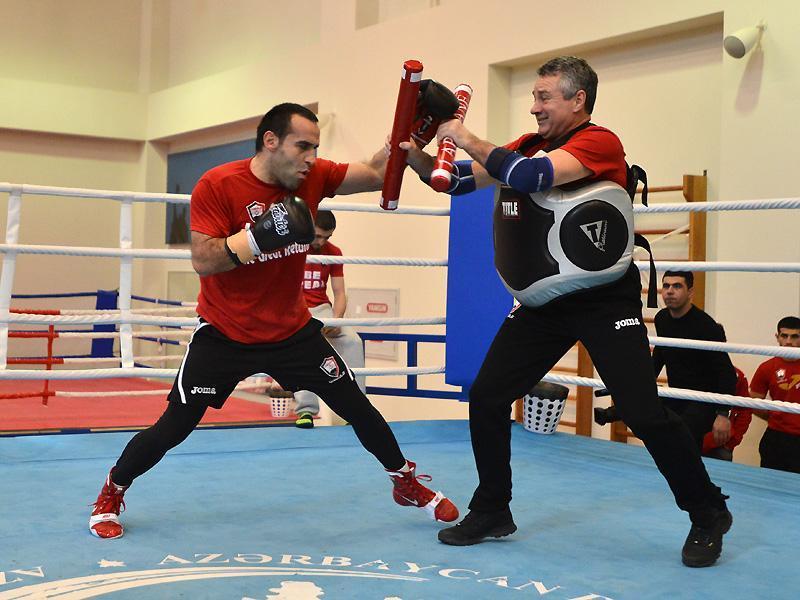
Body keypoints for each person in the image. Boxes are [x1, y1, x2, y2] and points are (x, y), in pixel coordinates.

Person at [401, 56, 731, 567]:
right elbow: (459, 182)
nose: (534, 107)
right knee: (487, 396)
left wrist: (462, 135)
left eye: (544, 97)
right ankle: (492, 509)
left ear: (578, 100)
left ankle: (708, 511)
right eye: (533, 97)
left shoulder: (598, 143)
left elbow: (530, 176)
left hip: (604, 300)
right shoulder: (528, 144)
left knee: (643, 413)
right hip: (544, 302)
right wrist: (414, 155)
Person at [89, 103, 459, 540]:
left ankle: (404, 482)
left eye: (315, 147)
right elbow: (204, 261)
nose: (311, 157)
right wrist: (259, 235)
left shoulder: (314, 175)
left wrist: (412, 135)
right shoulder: (218, 184)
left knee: (357, 407)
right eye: (302, 146)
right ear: (270, 141)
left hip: (291, 332)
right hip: (226, 332)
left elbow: (377, 173)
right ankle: (112, 490)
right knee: (175, 426)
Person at [293, 210, 366, 428]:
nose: (321, 242)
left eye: (327, 237)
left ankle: (358, 409)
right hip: (295, 308)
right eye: (317, 236)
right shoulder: (291, 248)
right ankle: (306, 410)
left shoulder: (334, 252)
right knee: (301, 346)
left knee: (353, 342)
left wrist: (337, 320)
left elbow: (340, 292)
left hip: (323, 309)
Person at [653, 271, 737, 449]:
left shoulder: (706, 326)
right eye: (666, 286)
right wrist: (643, 385)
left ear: (690, 292)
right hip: (677, 395)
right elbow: (660, 353)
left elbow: (726, 372)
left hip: (704, 399)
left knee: (681, 438)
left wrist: (723, 414)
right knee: (655, 427)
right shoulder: (661, 319)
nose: (670, 291)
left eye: (677, 286)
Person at [749, 316, 800, 474]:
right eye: (784, 336)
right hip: (776, 437)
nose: (789, 342)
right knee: (770, 483)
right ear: (777, 337)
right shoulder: (767, 367)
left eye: (795, 336)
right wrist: (774, 416)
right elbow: (753, 401)